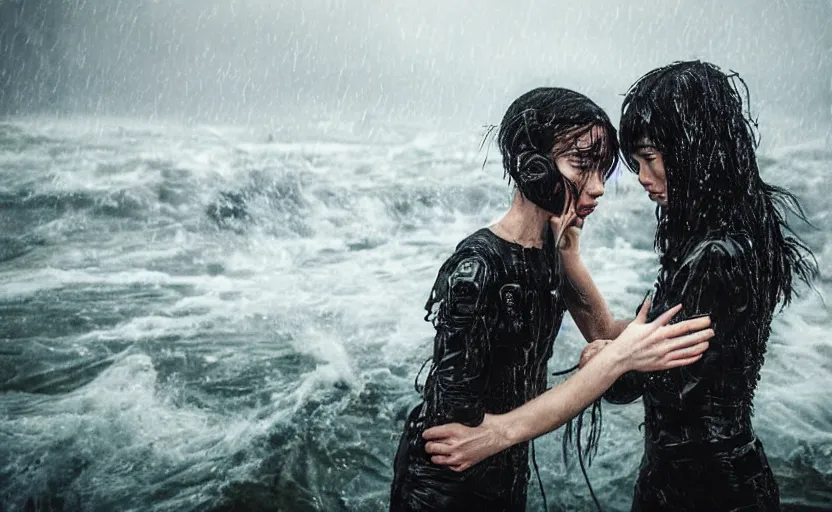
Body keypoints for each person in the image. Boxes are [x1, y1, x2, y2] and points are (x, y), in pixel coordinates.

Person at [422, 62, 818, 511]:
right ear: (532, 166)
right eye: (633, 163)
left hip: (701, 488)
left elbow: (635, 370)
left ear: (694, 152)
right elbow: (628, 338)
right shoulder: (736, 235)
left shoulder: (717, 255)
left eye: (649, 159)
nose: (634, 180)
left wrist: (609, 358)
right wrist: (606, 331)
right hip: (701, 477)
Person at [389, 87, 714, 512]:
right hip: (445, 488)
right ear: (533, 167)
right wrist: (618, 360)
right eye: (582, 164)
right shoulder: (475, 270)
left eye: (604, 170)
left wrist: (570, 258)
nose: (598, 187)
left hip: (504, 470)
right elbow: (457, 429)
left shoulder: (550, 249)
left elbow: (605, 333)